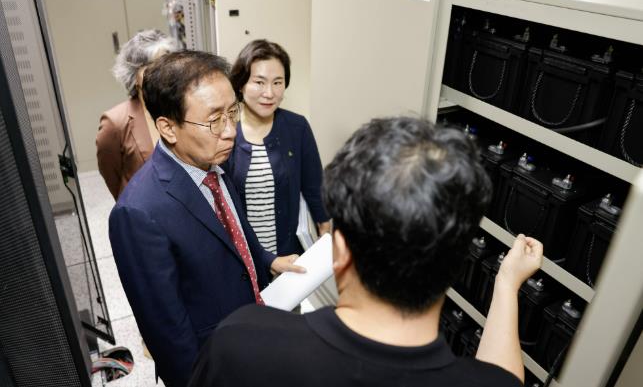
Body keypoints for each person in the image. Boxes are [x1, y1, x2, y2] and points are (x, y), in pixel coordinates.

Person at [188, 117, 544, 387]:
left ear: (340, 251)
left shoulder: (240, 344)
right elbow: (502, 376)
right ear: (457, 259)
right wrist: (506, 284)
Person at [108, 50, 305, 387]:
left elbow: (233, 236)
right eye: (215, 120)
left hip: (252, 338)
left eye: (233, 113)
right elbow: (167, 334)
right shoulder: (138, 213)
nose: (230, 131)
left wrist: (268, 260)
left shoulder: (214, 165)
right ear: (168, 128)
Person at [225, 39, 330, 256]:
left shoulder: (297, 127)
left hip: (290, 256)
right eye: (259, 82)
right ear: (241, 84)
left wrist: (325, 228)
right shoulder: (226, 130)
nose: (269, 93)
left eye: (277, 82)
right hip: (245, 258)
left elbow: (314, 187)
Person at [96, 29, 180, 200]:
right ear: (134, 76)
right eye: (150, 66)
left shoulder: (183, 107)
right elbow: (113, 177)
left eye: (165, 63)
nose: (160, 72)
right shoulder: (115, 122)